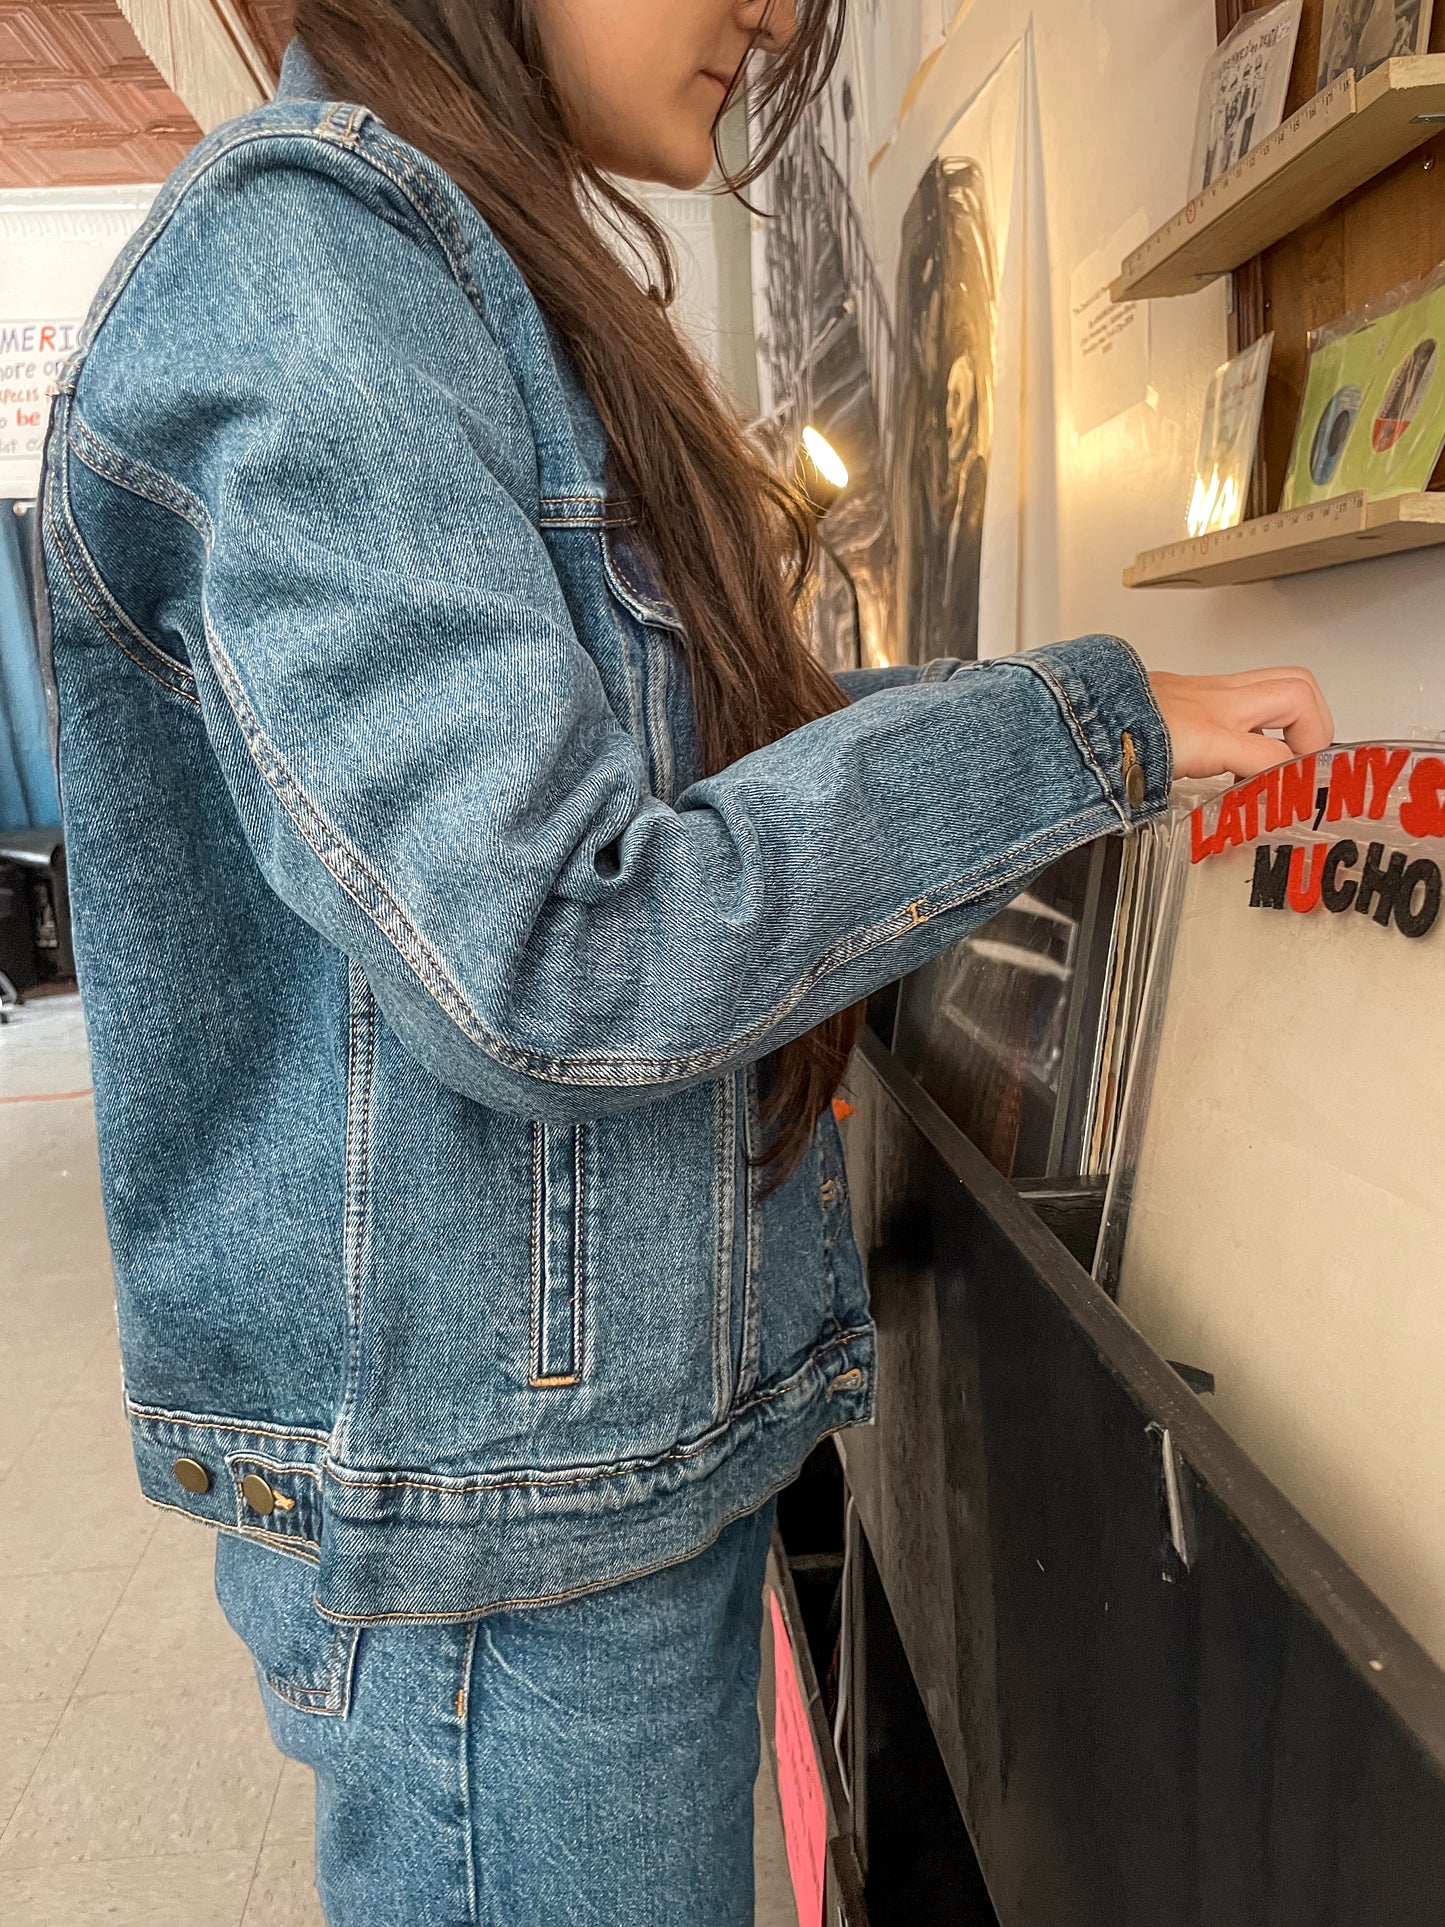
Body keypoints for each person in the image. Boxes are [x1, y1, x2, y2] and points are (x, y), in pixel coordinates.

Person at [33, 1, 1332, 1921]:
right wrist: (1058, 734)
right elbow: (558, 943)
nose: (777, 10)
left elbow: (662, 790)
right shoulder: (308, 272)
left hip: (570, 1484)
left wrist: (1081, 739)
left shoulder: (438, 274)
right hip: (514, 1542)